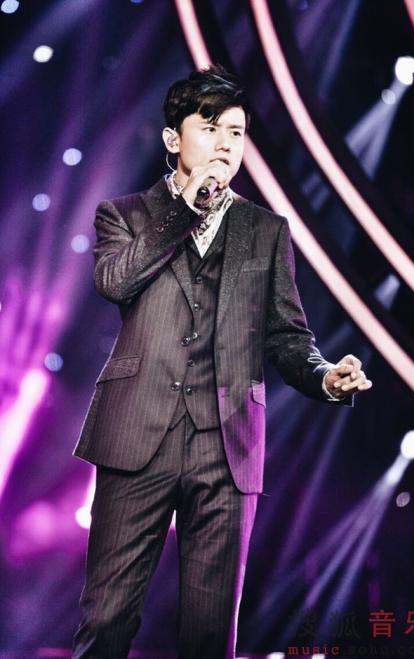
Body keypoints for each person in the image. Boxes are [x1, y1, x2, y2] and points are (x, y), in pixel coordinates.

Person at [72, 64, 372, 659]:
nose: (226, 144)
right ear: (173, 138)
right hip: (136, 435)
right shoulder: (124, 214)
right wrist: (186, 209)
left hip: (228, 445)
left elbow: (287, 336)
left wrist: (325, 378)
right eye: (210, 128)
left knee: (211, 635)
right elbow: (114, 281)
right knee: (106, 620)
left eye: (235, 132)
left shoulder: (266, 229)